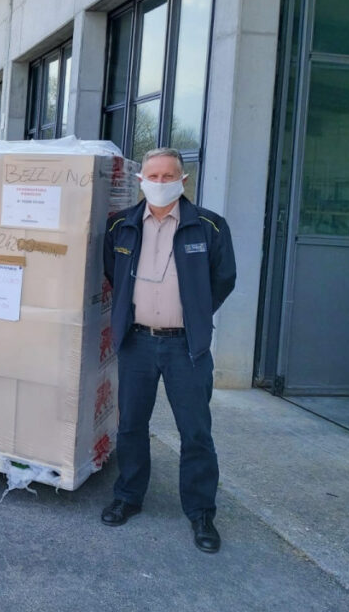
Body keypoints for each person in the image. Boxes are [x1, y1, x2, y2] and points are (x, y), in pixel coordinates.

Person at [101, 147, 236, 553]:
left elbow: (224, 278)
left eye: (168, 176)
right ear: (141, 180)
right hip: (137, 342)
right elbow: (112, 272)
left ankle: (201, 512)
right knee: (131, 425)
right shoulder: (120, 225)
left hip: (186, 347)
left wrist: (195, 313)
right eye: (153, 176)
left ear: (183, 180)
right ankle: (128, 495)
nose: (160, 183)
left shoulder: (209, 226)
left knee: (195, 432)